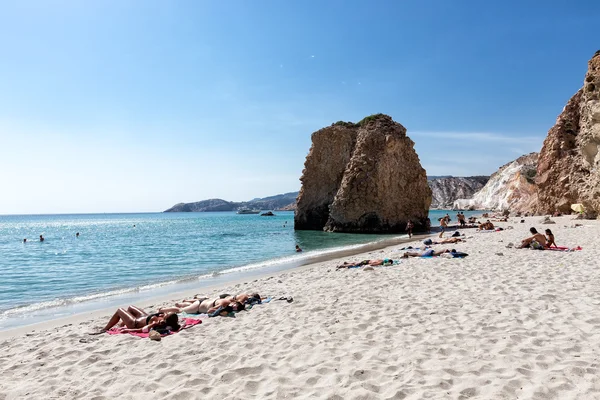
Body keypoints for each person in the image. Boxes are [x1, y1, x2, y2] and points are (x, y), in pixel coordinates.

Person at [95, 306, 180, 334]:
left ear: (166, 319)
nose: (166, 313)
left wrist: (128, 330)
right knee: (130, 307)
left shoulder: (157, 322)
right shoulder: (165, 319)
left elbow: (143, 330)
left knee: (119, 310)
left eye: (167, 314)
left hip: (134, 323)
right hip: (143, 316)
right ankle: (122, 323)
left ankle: (105, 328)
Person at [160, 296, 245, 315]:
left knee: (187, 306)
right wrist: (220, 310)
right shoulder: (224, 304)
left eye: (236, 308)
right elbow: (209, 311)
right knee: (179, 311)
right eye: (235, 306)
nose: (234, 308)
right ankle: (162, 309)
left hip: (202, 302)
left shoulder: (228, 301)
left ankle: (181, 304)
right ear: (234, 303)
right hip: (199, 307)